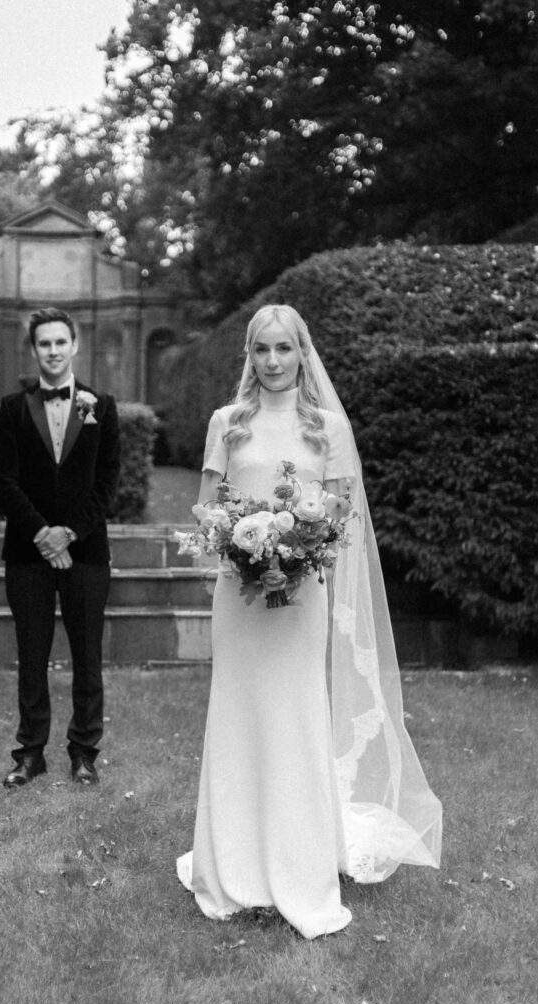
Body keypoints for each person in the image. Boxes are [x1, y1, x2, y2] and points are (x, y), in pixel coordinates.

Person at [177, 304, 442, 938]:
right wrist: (242, 549)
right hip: (238, 601)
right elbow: (208, 510)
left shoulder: (327, 429)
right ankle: (233, 864)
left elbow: (343, 512)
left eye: (284, 350)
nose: (273, 362)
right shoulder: (226, 424)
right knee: (238, 714)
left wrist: (293, 552)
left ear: (302, 353)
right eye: (262, 350)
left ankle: (299, 866)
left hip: (302, 597)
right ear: (250, 355)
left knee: (295, 716)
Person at [0, 307, 120, 789]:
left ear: (74, 345)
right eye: (43, 343)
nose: (52, 351)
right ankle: (29, 754)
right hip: (28, 554)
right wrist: (44, 534)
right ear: (33, 349)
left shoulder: (100, 406)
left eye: (59, 342)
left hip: (85, 553)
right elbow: (4, 482)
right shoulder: (12, 408)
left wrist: (70, 533)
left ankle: (84, 752)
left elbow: (107, 482)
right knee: (32, 656)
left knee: (88, 656)